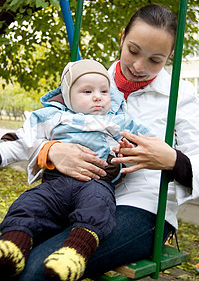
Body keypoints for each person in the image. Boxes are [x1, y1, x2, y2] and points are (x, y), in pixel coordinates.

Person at [1, 4, 199, 281]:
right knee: (9, 256)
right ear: (122, 38)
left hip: (143, 206)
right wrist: (51, 150)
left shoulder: (183, 96)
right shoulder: (90, 80)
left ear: (171, 56)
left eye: (155, 60)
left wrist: (172, 160)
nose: (139, 67)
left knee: (37, 271)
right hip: (72, 194)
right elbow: (40, 130)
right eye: (133, 51)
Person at [0, 59, 153, 280]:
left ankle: (74, 254)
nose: (98, 96)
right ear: (68, 95)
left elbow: (148, 144)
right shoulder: (53, 117)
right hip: (55, 185)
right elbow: (23, 140)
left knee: (99, 206)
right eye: (87, 91)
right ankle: (13, 245)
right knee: (29, 202)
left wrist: (127, 153)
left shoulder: (118, 122)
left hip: (96, 183)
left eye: (104, 91)